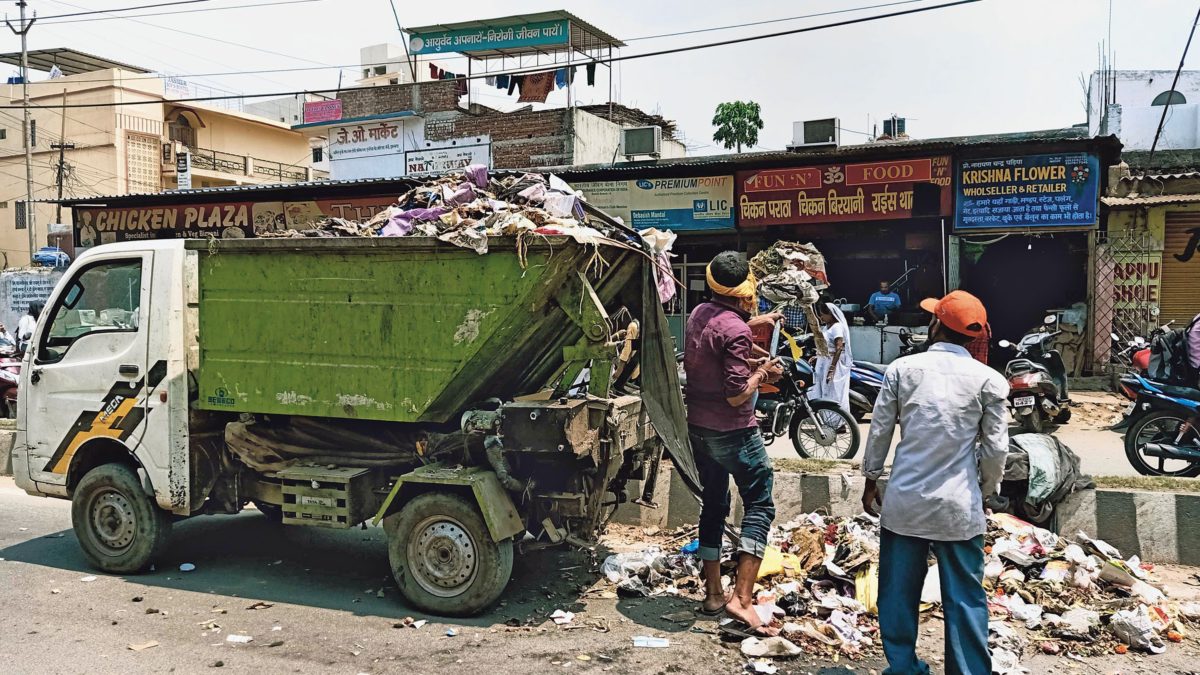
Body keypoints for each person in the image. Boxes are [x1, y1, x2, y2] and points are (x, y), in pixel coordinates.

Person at [860, 290, 1009, 675]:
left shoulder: (902, 369)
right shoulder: (989, 380)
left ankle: (904, 667)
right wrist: (987, 489)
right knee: (965, 599)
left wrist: (871, 478)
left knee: (898, 594)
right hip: (959, 507)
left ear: (936, 325)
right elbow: (995, 450)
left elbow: (879, 431)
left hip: (906, 502)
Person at [684, 251, 783, 636]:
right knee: (760, 503)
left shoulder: (698, 315)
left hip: (699, 429)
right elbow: (737, 394)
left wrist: (760, 322)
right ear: (745, 288)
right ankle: (741, 598)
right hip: (733, 430)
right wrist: (762, 370)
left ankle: (712, 593)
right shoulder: (737, 331)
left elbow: (722, 329)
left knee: (714, 503)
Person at [812, 301, 852, 416]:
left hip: (832, 363)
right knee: (823, 390)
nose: (821, 317)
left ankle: (837, 421)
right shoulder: (826, 327)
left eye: (823, 314)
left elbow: (838, 348)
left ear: (830, 314)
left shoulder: (837, 327)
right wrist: (818, 356)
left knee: (833, 391)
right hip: (824, 361)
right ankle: (825, 419)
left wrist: (832, 368)